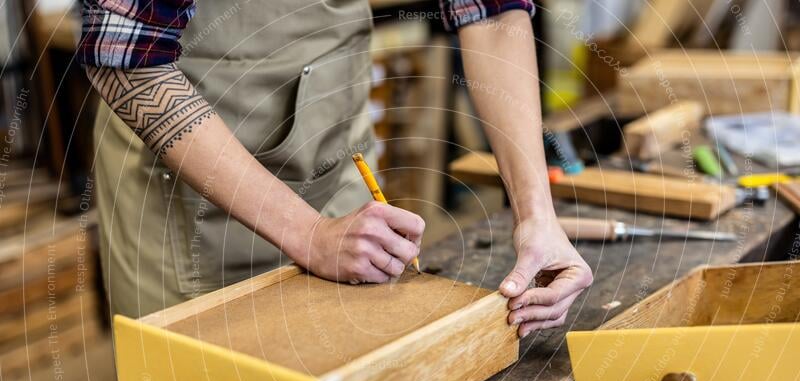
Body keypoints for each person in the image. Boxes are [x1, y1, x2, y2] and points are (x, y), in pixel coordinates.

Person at [79, 0, 592, 337]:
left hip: (331, 159)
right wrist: (310, 234)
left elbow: (492, 14)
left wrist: (535, 215)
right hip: (188, 195)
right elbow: (124, 61)